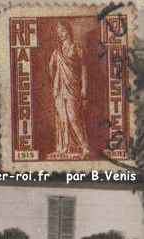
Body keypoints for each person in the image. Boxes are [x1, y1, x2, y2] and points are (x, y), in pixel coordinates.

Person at [48, 21, 90, 158]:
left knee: (73, 117)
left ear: (68, 30)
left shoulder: (76, 48)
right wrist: (56, 79)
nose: (60, 34)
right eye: (58, 31)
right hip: (59, 88)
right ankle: (66, 147)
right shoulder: (57, 51)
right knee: (63, 118)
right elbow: (50, 67)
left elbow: (84, 70)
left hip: (73, 87)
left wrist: (84, 88)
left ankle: (84, 147)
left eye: (63, 30)